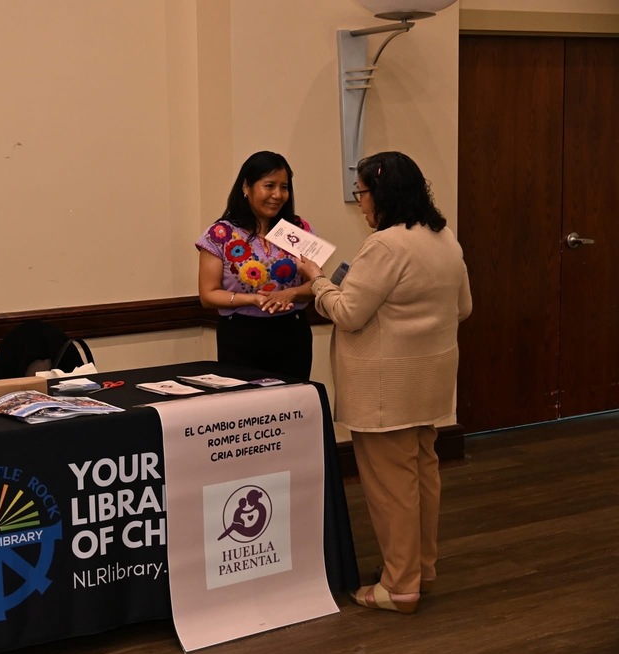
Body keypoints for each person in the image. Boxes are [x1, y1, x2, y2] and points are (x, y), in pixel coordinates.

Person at [295, 151, 473, 614]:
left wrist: (317, 281)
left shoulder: (385, 245)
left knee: (391, 487)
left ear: (381, 194)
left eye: (361, 193)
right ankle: (419, 569)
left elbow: (349, 313)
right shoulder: (444, 237)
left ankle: (399, 586)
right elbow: (464, 308)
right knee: (420, 477)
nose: (361, 204)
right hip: (429, 380)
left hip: (383, 389)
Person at [195, 151, 316, 380]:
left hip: (292, 333)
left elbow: (316, 283)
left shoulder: (297, 230)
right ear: (246, 187)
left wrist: (291, 294)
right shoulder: (220, 234)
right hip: (241, 334)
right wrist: (253, 299)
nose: (278, 195)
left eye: (284, 187)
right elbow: (208, 295)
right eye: (269, 186)